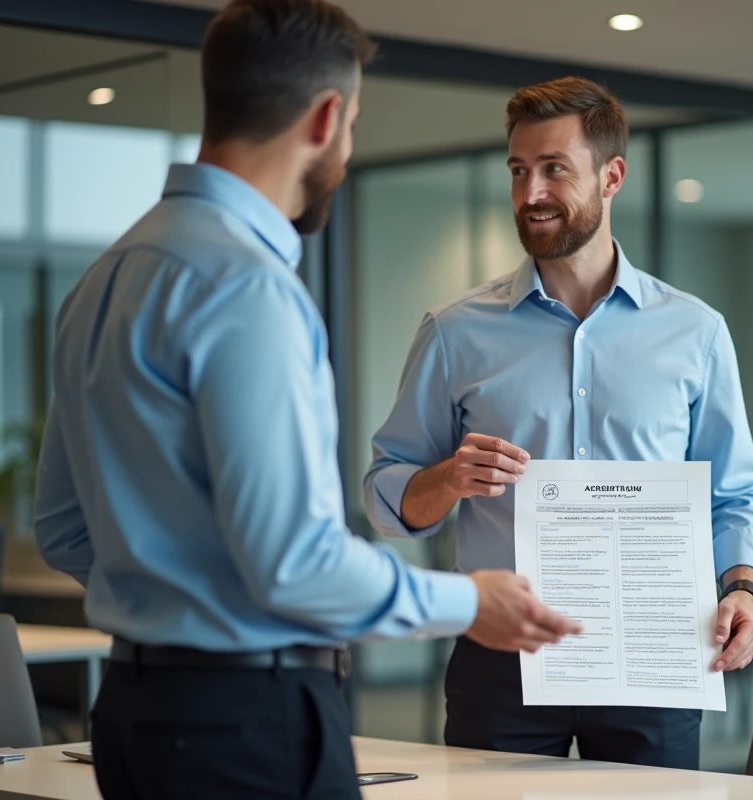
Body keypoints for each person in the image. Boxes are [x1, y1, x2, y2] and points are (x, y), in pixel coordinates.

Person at [33, 2, 576, 799]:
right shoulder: (246, 288)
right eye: (353, 123)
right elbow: (294, 564)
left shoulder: (105, 278)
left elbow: (61, 530)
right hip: (244, 721)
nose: (348, 149)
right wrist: (467, 600)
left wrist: (177, 599)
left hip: (132, 713)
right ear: (327, 117)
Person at [363, 77, 753, 769]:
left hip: (655, 653)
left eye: (554, 169)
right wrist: (445, 478)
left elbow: (735, 495)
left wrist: (741, 586)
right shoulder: (454, 332)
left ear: (612, 175)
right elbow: (386, 494)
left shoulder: (695, 333)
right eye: (518, 171)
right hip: (503, 658)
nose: (530, 194)